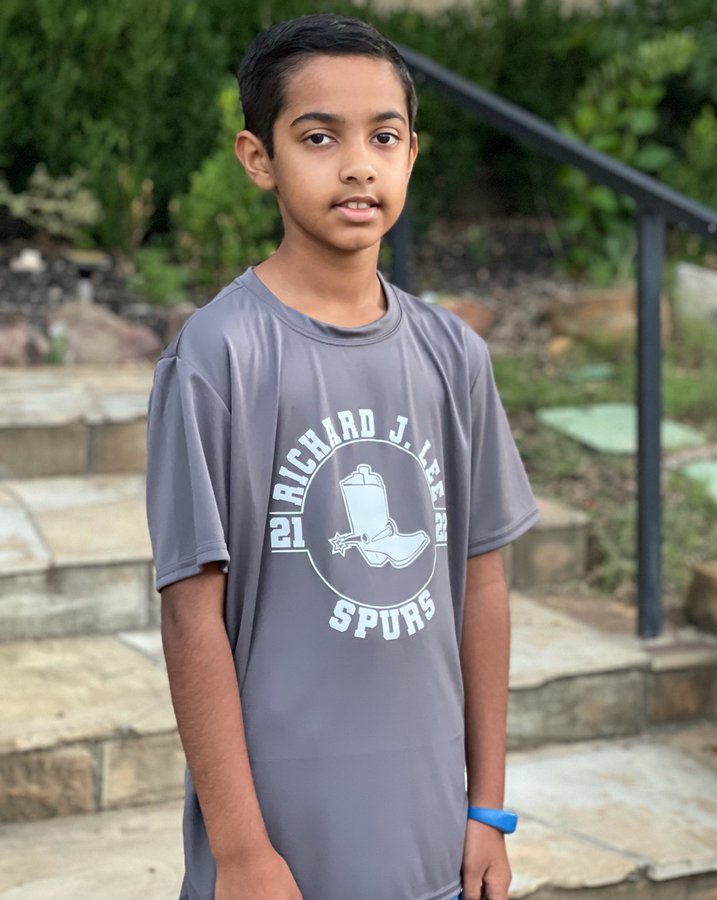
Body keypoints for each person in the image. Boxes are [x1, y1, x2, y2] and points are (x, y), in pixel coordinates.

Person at [145, 14, 538, 900]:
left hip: (432, 840)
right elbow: (190, 617)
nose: (358, 164)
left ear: (411, 154)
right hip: (284, 849)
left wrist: (487, 807)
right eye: (319, 137)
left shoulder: (453, 356)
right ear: (259, 158)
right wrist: (242, 854)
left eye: (383, 137)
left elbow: (482, 586)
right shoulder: (218, 356)